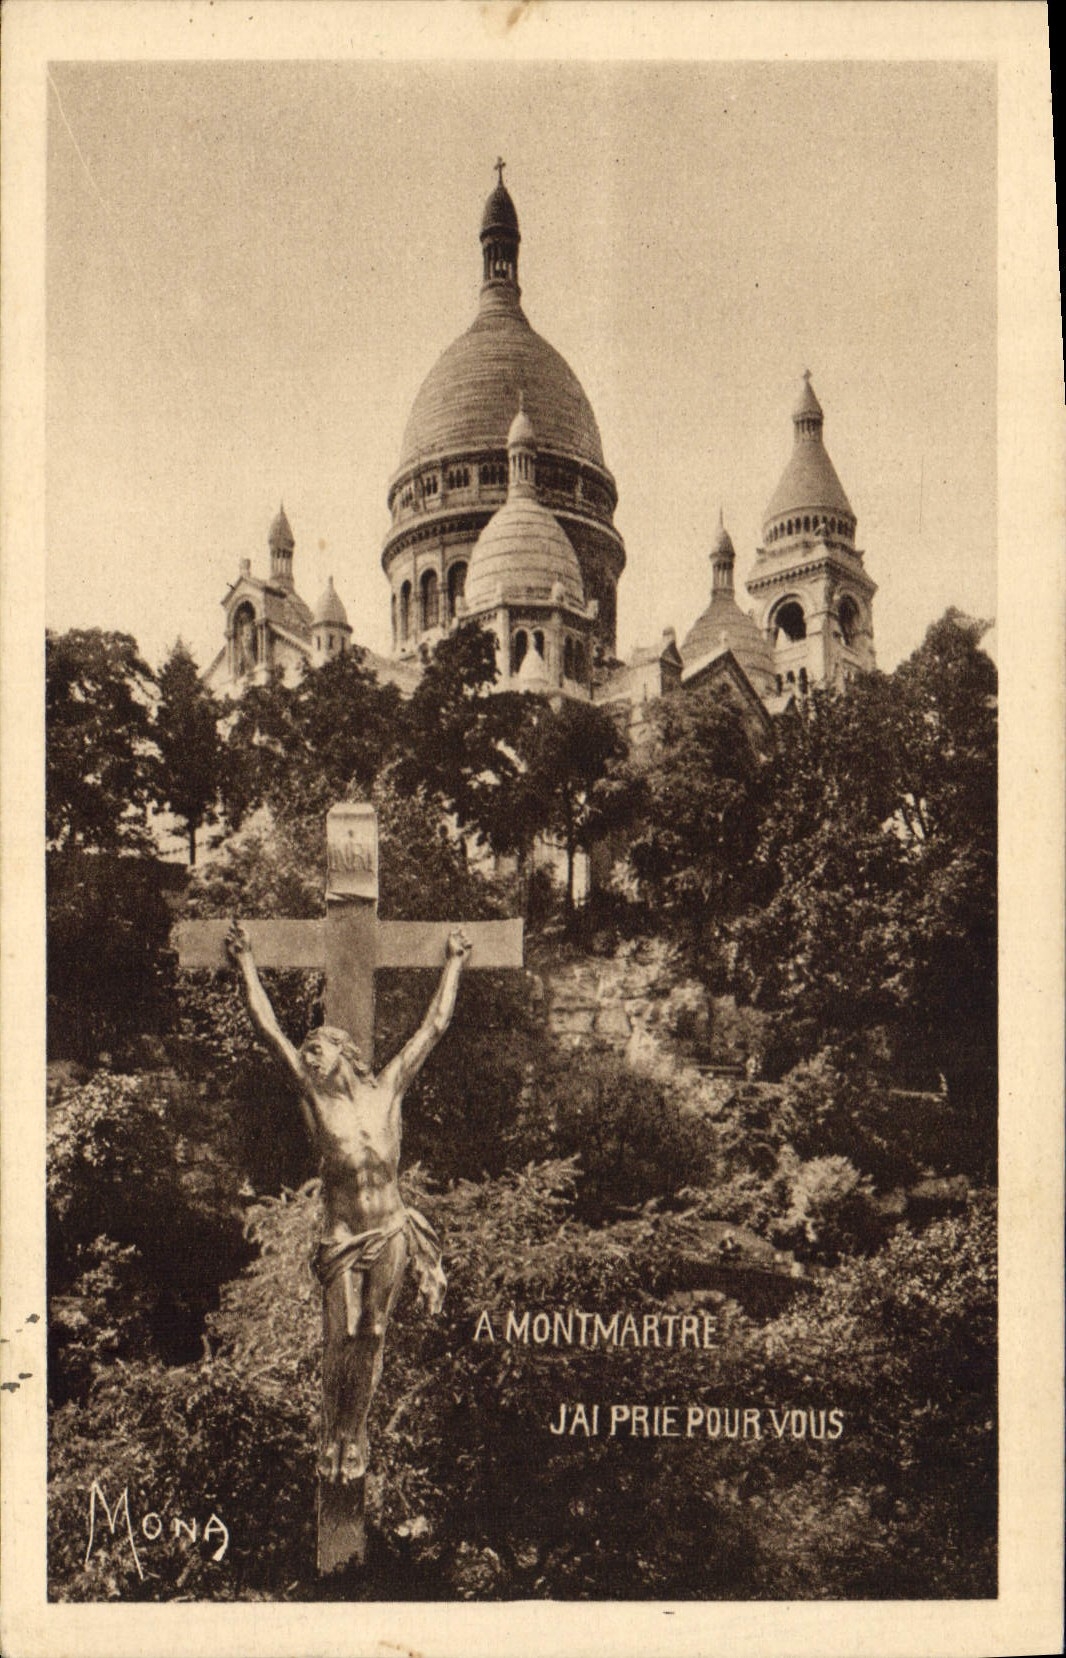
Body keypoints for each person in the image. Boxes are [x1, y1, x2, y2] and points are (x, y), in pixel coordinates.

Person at [225, 919, 471, 1484]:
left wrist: (454, 960)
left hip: (388, 1229)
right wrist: (246, 964)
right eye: (307, 1049)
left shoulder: (388, 1089)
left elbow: (434, 1027)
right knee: (342, 1334)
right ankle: (329, 1429)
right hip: (340, 1235)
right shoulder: (315, 1097)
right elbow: (269, 1032)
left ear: (344, 1052)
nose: (309, 1055)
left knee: (375, 1332)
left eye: (318, 1048)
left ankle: (353, 1432)